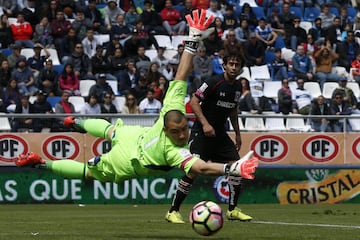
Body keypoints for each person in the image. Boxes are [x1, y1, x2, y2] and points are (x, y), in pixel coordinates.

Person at [15, 10, 258, 208]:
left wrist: (193, 36)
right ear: (166, 129)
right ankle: (42, 162)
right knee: (88, 173)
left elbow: (181, 73)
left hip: (135, 136)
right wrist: (231, 168)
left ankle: (76, 123)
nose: (184, 135)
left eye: (184, 129)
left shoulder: (172, 109)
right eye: (178, 133)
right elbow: (201, 167)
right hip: (129, 161)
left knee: (111, 130)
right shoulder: (174, 152)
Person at [165, 45, 252, 223]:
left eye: (237, 64)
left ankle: (233, 210)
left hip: (220, 134)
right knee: (193, 171)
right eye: (231, 64)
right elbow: (194, 101)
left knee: (236, 168)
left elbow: (233, 110)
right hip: (202, 133)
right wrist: (205, 124)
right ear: (224, 65)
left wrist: (237, 134)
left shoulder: (236, 87)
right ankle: (173, 211)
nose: (234, 67)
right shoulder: (213, 82)